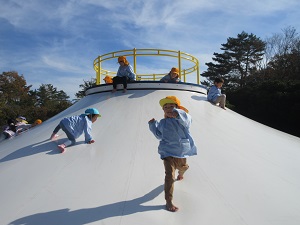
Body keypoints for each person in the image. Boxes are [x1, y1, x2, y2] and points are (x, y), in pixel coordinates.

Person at [148, 96, 197, 212]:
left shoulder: (182, 120)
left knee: (183, 167)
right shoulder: (163, 122)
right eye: (166, 107)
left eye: (171, 106)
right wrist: (152, 125)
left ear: (177, 108)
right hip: (167, 151)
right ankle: (168, 200)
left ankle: (182, 171)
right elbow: (159, 135)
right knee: (169, 175)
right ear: (163, 110)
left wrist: (178, 114)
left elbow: (188, 120)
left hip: (180, 151)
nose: (168, 109)